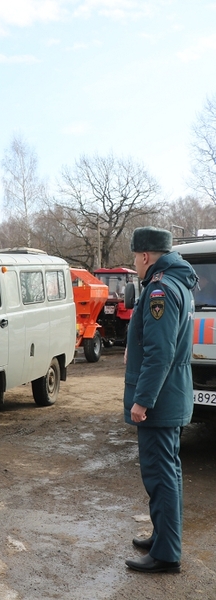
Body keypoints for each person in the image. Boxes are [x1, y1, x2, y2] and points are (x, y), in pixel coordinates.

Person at [123, 226, 196, 574]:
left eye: (135, 257)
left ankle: (166, 555)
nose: (135, 264)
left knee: (160, 474)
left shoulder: (160, 289)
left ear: (146, 255)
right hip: (172, 395)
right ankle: (163, 536)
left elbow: (160, 352)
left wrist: (143, 400)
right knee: (169, 472)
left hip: (160, 401)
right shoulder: (177, 282)